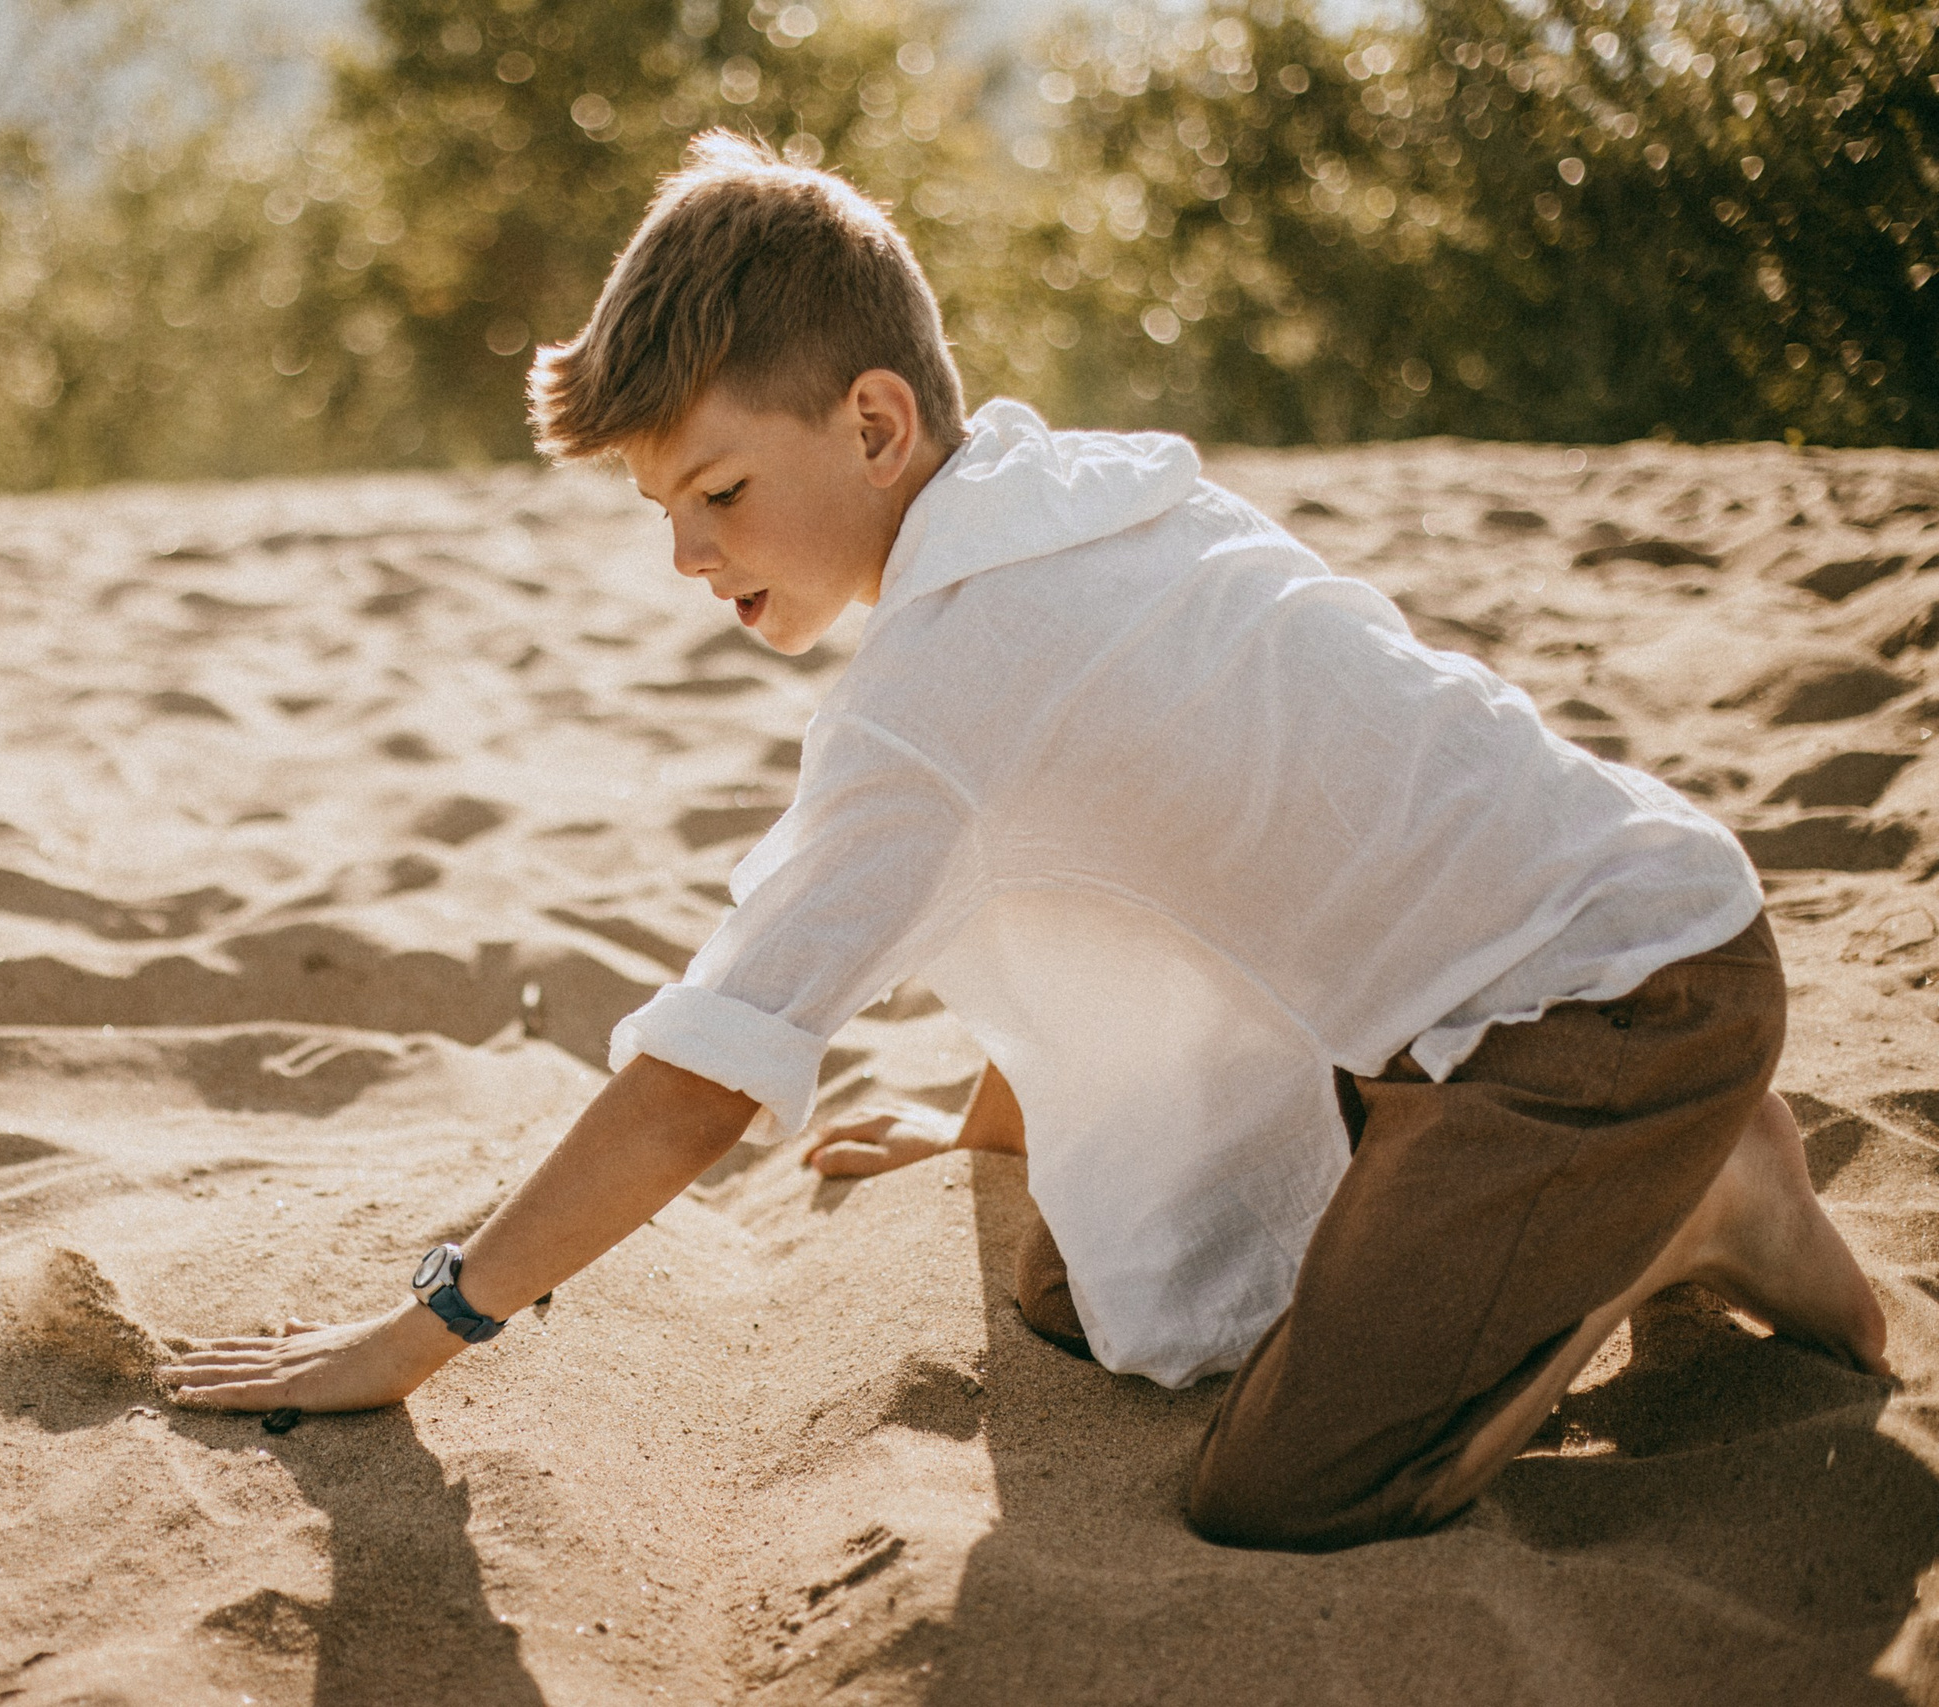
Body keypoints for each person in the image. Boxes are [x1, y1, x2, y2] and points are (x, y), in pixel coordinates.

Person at [160, 132, 1888, 1550]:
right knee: (1080, 1270)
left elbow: (703, 1074)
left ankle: (1698, 1200)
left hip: (1609, 1006)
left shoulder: (941, 688)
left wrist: (426, 1328)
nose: (689, 558)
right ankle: (1617, 1185)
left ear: (874, 424)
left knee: (1285, 1489)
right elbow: (1112, 866)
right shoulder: (1075, 489)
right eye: (661, 512)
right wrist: (1003, 1113)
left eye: (719, 491)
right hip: (1556, 947)